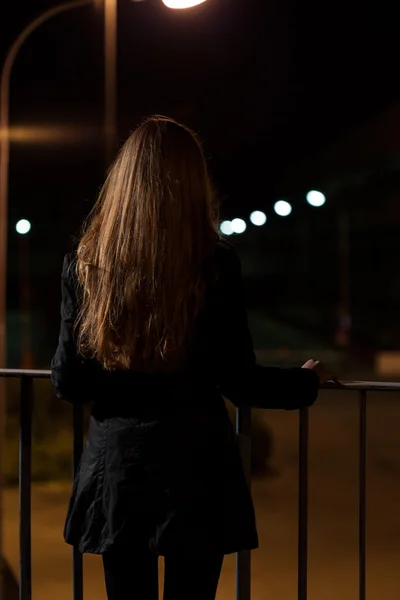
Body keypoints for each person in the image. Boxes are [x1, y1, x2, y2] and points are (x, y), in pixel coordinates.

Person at [51, 115, 334, 600]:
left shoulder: (87, 260)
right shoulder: (214, 263)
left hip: (119, 468)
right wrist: (304, 383)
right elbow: (238, 379)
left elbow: (69, 381)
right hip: (196, 464)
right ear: (193, 182)